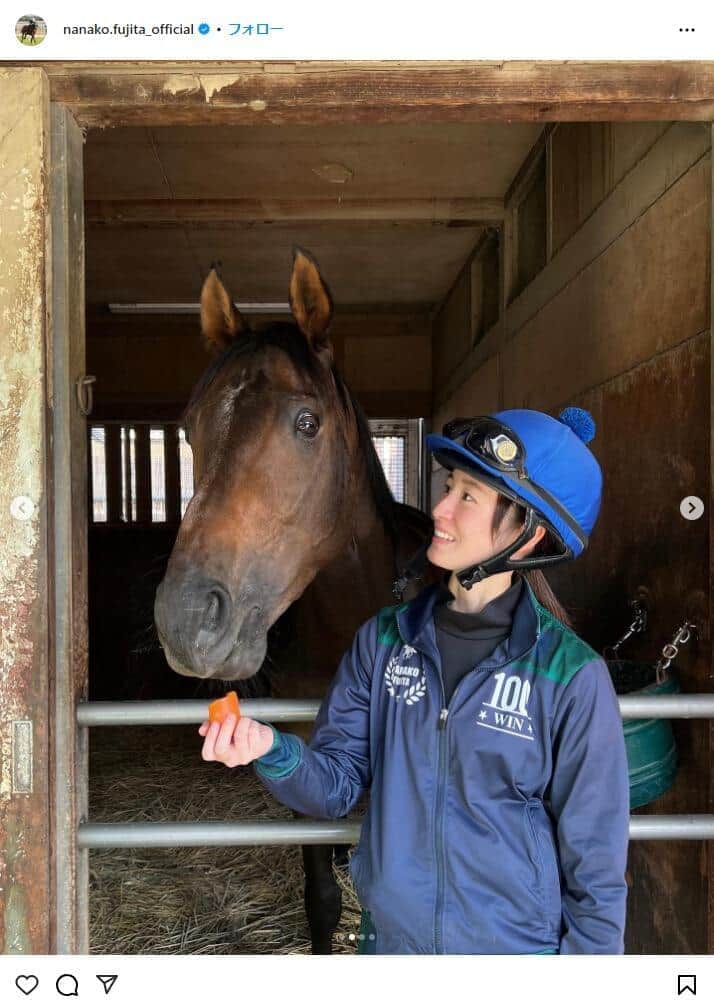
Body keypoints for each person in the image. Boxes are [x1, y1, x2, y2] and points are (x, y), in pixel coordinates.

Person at [198, 406, 630, 955]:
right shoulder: (383, 642)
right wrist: (271, 749)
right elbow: (334, 786)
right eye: (449, 486)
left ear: (529, 534)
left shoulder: (571, 677)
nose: (440, 510)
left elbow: (596, 871)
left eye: (468, 497)